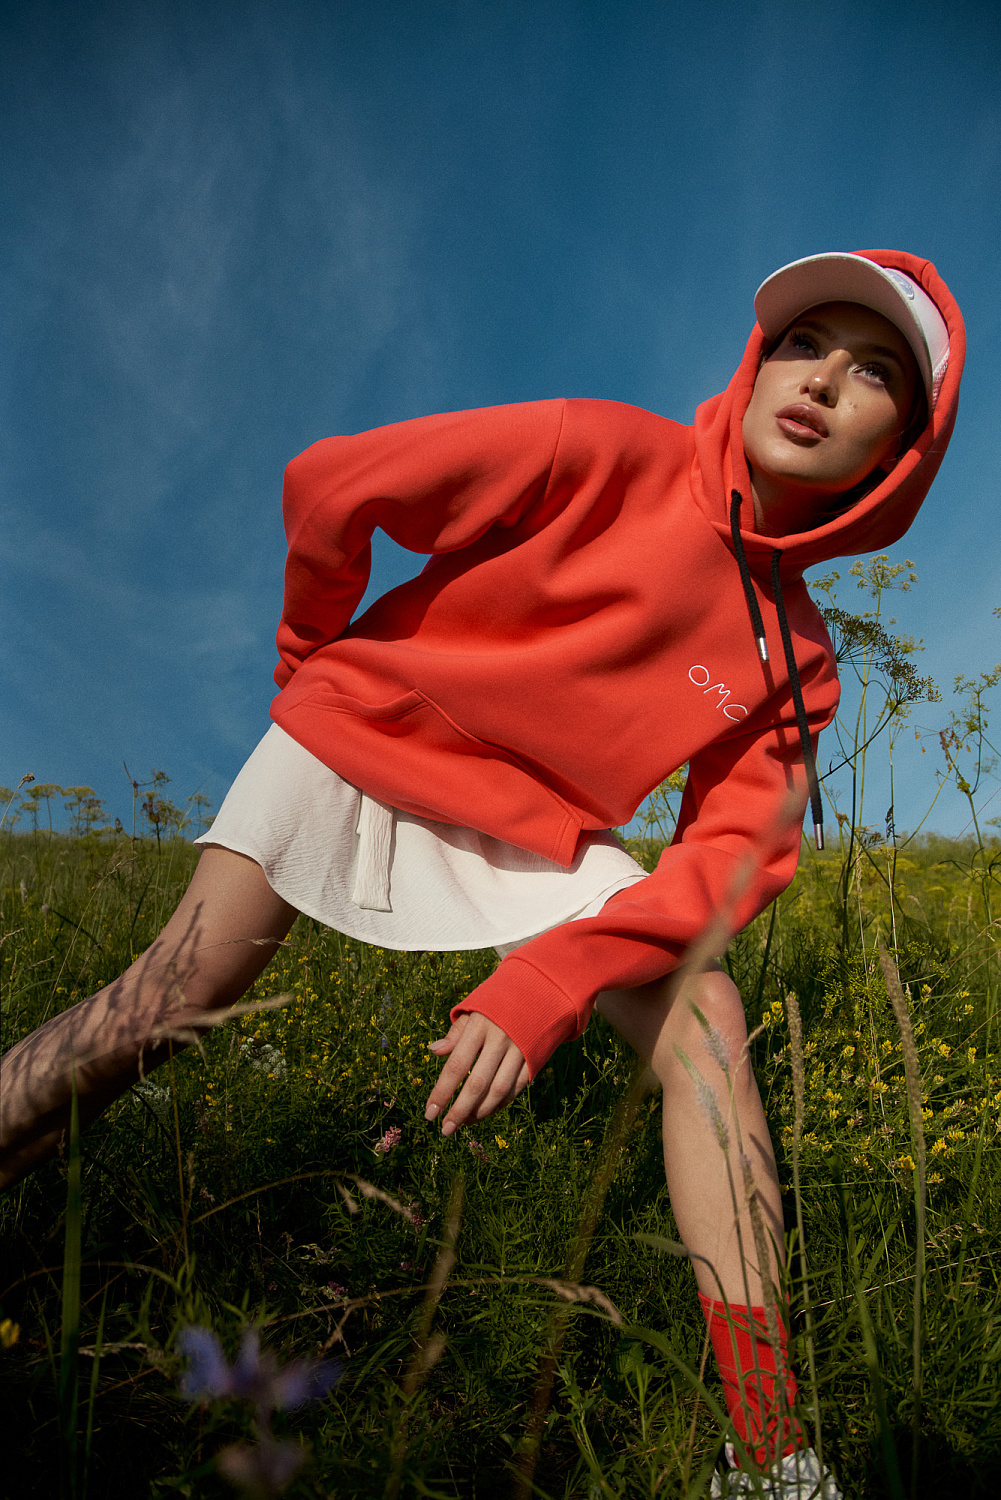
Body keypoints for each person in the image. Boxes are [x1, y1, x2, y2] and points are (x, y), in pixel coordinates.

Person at [0, 250, 964, 1497]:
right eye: (802, 343)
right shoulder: (602, 447)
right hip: (365, 730)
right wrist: (311, 661)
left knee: (706, 1023)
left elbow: (729, 861)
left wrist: (552, 979)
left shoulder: (800, 657)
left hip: (536, 827)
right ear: (757, 357)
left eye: (873, 371)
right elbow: (334, 484)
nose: (823, 380)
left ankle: (771, 1454)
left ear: (905, 447)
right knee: (171, 1001)